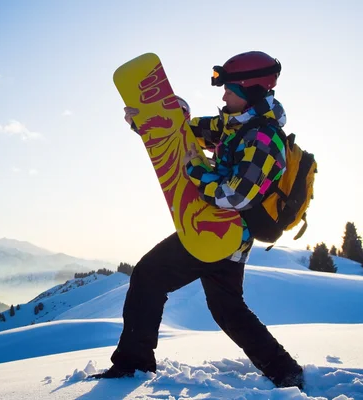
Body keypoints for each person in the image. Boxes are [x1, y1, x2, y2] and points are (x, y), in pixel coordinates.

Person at [93, 51, 304, 390]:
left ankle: (132, 366)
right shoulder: (233, 124)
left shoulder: (264, 138)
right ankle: (286, 372)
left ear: (250, 91)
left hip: (222, 230)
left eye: (230, 89)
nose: (223, 95)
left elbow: (236, 195)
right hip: (223, 232)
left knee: (149, 276)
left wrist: (194, 170)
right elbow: (183, 132)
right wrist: (145, 122)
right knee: (227, 307)